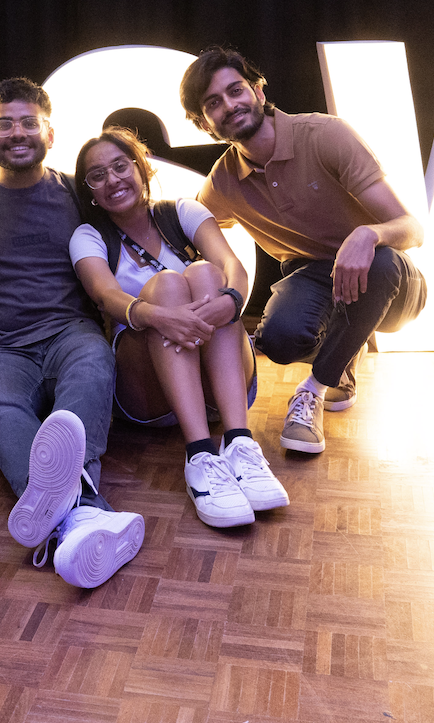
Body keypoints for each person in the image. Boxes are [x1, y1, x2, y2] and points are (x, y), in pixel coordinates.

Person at [180, 46, 427, 453]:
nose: (229, 105)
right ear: (205, 124)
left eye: (236, 90)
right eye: (213, 103)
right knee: (276, 338)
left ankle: (314, 388)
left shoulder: (326, 135)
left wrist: (367, 235)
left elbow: (411, 228)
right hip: (313, 277)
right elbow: (188, 232)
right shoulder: (224, 182)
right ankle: (346, 348)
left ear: (258, 91)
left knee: (380, 264)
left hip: (391, 282)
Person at [0, 77, 145, 589]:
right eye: (5, 124)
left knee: (93, 366)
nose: (18, 133)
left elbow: (139, 220)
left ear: (50, 134)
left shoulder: (77, 194)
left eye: (29, 123)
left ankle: (62, 516)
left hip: (68, 331)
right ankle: (84, 515)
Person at [69, 127, 288, 528]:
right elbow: (105, 296)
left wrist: (228, 302)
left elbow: (232, 268)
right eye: (97, 175)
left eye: (121, 166)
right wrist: (159, 315)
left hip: (224, 389)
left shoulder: (181, 211)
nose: (113, 180)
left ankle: (240, 443)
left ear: (141, 167)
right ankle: (200, 454)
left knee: (207, 274)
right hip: (148, 396)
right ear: (90, 191)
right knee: (167, 285)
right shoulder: (88, 236)